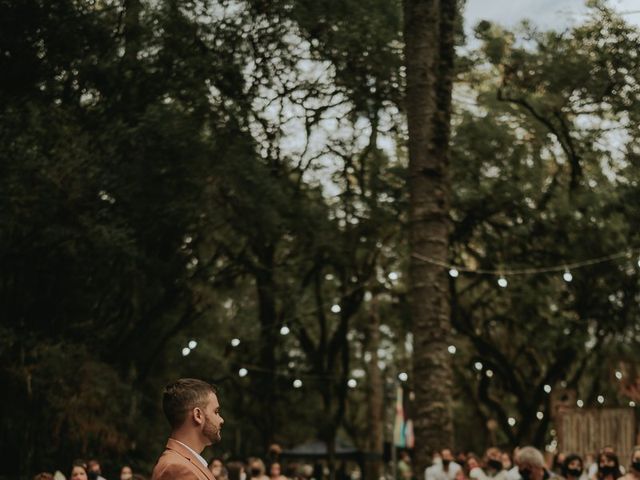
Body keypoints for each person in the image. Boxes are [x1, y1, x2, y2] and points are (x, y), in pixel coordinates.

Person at [151, 378, 224, 480]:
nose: (221, 420)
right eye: (216, 412)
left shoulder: (186, 463)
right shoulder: (177, 468)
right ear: (198, 415)